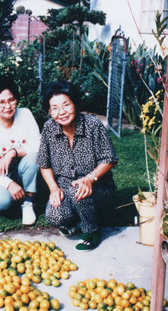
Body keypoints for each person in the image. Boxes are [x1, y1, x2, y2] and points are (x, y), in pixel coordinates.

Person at [36, 81, 118, 251]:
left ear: (75, 103)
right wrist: (53, 188)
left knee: (79, 191)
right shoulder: (49, 128)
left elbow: (110, 159)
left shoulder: (93, 125)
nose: (62, 112)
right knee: (55, 215)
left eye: (66, 105)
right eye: (55, 108)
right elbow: (44, 164)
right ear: (49, 111)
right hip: (65, 185)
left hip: (97, 185)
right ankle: (77, 220)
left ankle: (91, 230)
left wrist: (90, 178)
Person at [0, 76, 41, 225]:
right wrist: (9, 184)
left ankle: (28, 203)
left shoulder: (25, 115)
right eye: (1, 102)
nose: (8, 106)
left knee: (34, 157)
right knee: (2, 202)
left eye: (11, 100)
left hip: (19, 169)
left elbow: (38, 145)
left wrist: (13, 152)